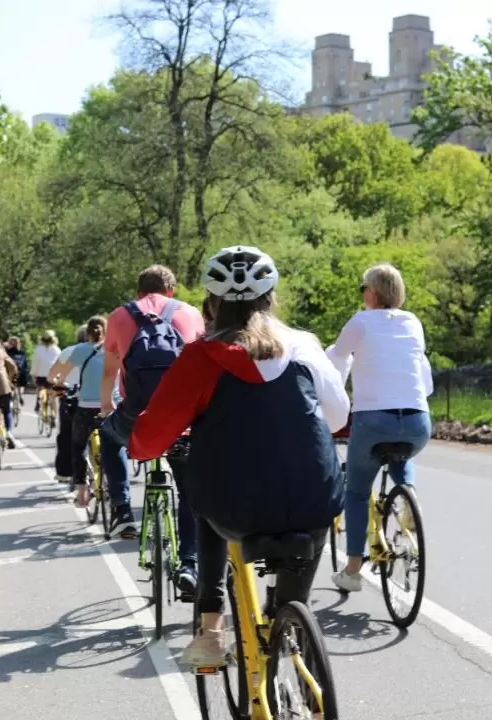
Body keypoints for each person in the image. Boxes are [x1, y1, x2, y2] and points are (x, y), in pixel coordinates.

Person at [128, 246, 350, 667]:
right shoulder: (303, 346)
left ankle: (212, 629)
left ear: (211, 303)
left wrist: (136, 443)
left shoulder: (199, 358)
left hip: (235, 511)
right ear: (271, 298)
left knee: (204, 495)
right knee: (291, 591)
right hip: (313, 502)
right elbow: (339, 419)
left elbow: (150, 439)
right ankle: (289, 623)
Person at [325, 263, 433, 593]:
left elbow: (336, 363)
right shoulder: (413, 322)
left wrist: (333, 403)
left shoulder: (360, 322)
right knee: (402, 450)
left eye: (363, 290)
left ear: (371, 293)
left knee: (357, 492)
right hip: (417, 420)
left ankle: (353, 569)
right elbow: (424, 378)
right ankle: (409, 494)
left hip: (373, 420)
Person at [100, 264, 205, 580]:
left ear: (138, 291)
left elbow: (109, 371)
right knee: (189, 490)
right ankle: (189, 564)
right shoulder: (189, 313)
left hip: (138, 413)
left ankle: (121, 510)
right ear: (171, 291)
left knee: (108, 435)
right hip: (182, 415)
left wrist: (107, 406)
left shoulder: (119, 316)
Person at [48, 317, 122, 508]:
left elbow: (59, 376)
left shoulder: (79, 350)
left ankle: (81, 491)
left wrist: (60, 384)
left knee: (78, 446)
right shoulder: (117, 347)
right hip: (110, 407)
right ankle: (116, 492)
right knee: (115, 448)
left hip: (86, 408)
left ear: (87, 332)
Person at [49, 325, 88, 485]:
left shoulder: (68, 351)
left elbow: (52, 376)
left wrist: (60, 384)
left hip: (71, 395)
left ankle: (64, 472)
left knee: (66, 434)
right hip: (98, 397)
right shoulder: (104, 351)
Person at [30, 330, 60, 413]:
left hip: (41, 375)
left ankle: (38, 399)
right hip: (53, 376)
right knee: (53, 397)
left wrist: (33, 375)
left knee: (39, 387)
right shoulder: (57, 350)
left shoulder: (38, 349)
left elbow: (35, 363)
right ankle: (54, 416)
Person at [5, 337, 29, 407]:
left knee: (10, 385)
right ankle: (20, 396)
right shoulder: (22, 353)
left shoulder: (6, 352)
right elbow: (25, 364)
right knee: (21, 385)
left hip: (10, 373)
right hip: (21, 373)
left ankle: (11, 396)